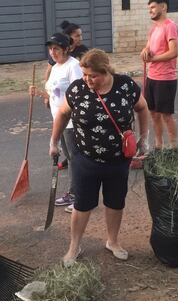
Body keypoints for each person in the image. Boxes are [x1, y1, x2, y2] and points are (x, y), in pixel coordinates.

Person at [49, 49, 149, 267]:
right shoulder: (78, 89)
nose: (87, 80)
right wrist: (54, 142)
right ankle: (74, 247)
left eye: (92, 75)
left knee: (115, 202)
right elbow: (63, 114)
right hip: (85, 159)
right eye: (85, 75)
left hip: (118, 160)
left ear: (105, 71)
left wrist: (144, 138)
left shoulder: (126, 86)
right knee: (82, 205)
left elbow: (142, 108)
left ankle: (112, 242)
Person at [31, 33, 83, 213]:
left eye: (57, 49)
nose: (53, 53)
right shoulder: (55, 67)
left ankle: (79, 195)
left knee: (75, 159)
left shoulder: (73, 66)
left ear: (66, 48)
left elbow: (78, 94)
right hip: (59, 122)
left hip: (72, 123)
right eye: (50, 49)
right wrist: (39, 93)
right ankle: (73, 192)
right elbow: (55, 95)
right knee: (70, 159)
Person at [140, 0, 178, 149]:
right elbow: (148, 48)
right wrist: (144, 51)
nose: (150, 11)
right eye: (149, 8)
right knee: (154, 114)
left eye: (153, 7)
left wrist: (153, 59)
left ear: (163, 7)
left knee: (166, 115)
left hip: (166, 78)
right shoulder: (154, 28)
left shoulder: (170, 26)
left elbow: (173, 52)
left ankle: (175, 148)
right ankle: (159, 146)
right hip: (152, 77)